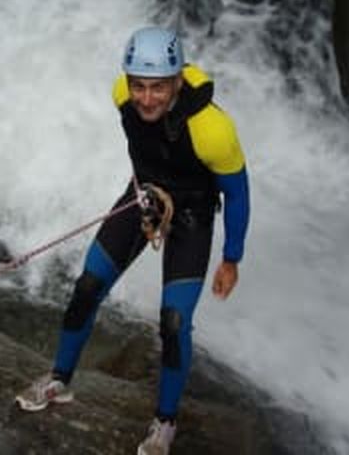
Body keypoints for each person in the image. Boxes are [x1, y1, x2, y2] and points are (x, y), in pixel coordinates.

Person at [15, 27, 250, 455]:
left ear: (178, 81)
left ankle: (165, 424)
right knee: (87, 287)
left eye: (158, 87)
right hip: (142, 196)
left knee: (174, 323)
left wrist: (231, 259)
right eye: (139, 85)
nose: (146, 98)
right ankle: (58, 381)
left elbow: (237, 193)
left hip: (192, 217)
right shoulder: (120, 93)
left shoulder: (212, 129)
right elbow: (147, 146)